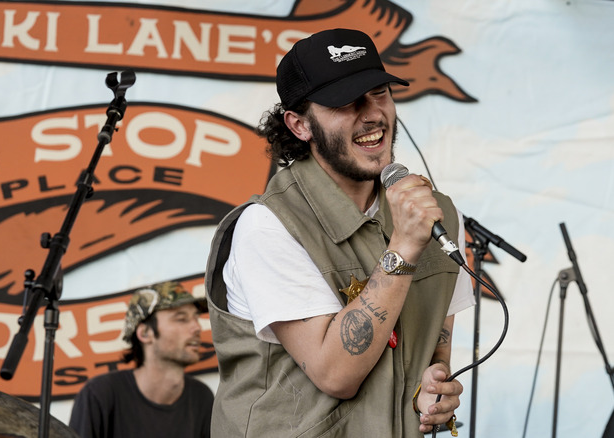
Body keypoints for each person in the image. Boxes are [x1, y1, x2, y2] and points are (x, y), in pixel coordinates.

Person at [204, 28, 475, 437]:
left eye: (379, 92)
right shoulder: (269, 226)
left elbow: (435, 343)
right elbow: (335, 374)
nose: (370, 114)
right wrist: (403, 246)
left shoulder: (435, 213)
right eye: (344, 102)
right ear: (299, 125)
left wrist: (431, 388)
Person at [69, 281, 214, 438]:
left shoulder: (202, 397)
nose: (197, 327)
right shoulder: (99, 394)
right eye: (181, 319)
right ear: (145, 333)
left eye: (196, 318)